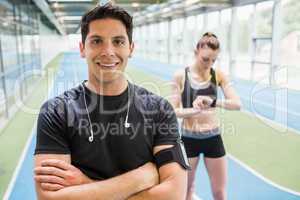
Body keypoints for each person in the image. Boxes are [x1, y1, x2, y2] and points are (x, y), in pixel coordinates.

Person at [33, 3, 189, 200]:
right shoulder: (56, 112)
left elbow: (174, 195)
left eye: (118, 42)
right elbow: (48, 198)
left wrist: (85, 185)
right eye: (97, 41)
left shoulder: (159, 110)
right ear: (82, 49)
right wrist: (138, 179)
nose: (108, 51)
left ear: (131, 48)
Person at [170, 32, 241, 200]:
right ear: (196, 52)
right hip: (189, 139)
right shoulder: (180, 76)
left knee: (219, 193)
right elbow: (172, 111)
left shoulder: (218, 75)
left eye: (214, 60)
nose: (209, 64)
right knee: (186, 190)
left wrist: (213, 102)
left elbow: (237, 104)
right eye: (205, 59)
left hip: (213, 138)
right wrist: (192, 110)